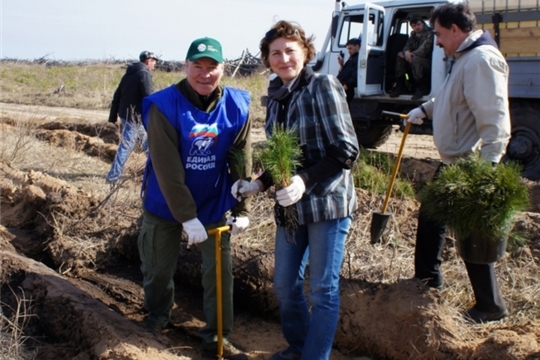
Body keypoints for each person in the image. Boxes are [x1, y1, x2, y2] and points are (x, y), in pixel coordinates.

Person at [231, 20, 359, 360]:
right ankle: (299, 346)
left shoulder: (323, 86)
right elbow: (280, 159)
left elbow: (346, 150)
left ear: (305, 52)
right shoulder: (275, 98)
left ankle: (314, 356)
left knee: (322, 290)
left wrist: (305, 181)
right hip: (292, 208)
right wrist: (259, 183)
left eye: (290, 50)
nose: (283, 58)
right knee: (285, 286)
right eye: (275, 53)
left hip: (327, 204)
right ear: (267, 59)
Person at [138, 37, 251, 360]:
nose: (205, 74)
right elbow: (167, 169)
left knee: (219, 273)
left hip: (214, 202)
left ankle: (217, 337)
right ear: (185, 67)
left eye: (212, 67)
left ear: (223, 69)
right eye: (197, 67)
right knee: (158, 269)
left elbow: (241, 158)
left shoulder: (237, 106)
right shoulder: (164, 105)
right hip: (165, 203)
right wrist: (187, 217)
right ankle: (157, 318)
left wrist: (242, 207)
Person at [405, 3, 511, 323]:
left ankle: (490, 307)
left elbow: (495, 122)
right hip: (456, 163)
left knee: (473, 235)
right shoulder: (465, 57)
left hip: (470, 165)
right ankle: (427, 282)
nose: (436, 41)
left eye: (438, 34)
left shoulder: (481, 60)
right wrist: (424, 109)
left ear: (455, 29)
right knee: (432, 220)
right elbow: (451, 96)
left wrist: (486, 169)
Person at [106, 51, 158, 184]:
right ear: (148, 61)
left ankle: (156, 172)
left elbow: (117, 95)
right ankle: (112, 177)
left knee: (147, 144)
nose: (155, 64)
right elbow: (149, 96)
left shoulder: (128, 75)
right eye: (154, 61)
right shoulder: (144, 74)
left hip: (126, 115)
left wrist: (113, 115)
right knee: (127, 146)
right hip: (135, 117)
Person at [389, 16, 433, 100]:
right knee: (400, 56)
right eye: (413, 26)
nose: (416, 27)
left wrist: (411, 54)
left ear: (423, 24)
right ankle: (401, 86)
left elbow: (423, 51)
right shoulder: (413, 35)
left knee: (415, 60)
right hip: (414, 59)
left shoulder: (430, 34)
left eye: (418, 24)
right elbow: (406, 46)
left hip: (428, 62)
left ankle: (420, 88)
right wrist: (406, 53)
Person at [336, 37, 361, 106]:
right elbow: (343, 73)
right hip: (342, 87)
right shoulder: (351, 59)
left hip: (347, 89)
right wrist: (341, 65)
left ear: (357, 46)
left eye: (350, 48)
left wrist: (344, 88)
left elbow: (355, 76)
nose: (349, 51)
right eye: (348, 49)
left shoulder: (358, 59)